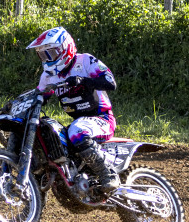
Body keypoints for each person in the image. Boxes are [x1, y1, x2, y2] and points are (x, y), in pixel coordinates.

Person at [26, 26, 120, 193]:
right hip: (79, 122)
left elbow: (110, 82)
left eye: (51, 54)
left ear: (65, 48)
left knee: (77, 131)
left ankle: (108, 174)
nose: (47, 59)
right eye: (42, 55)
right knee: (53, 137)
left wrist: (84, 81)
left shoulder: (85, 61)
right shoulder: (48, 76)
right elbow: (40, 95)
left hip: (102, 118)